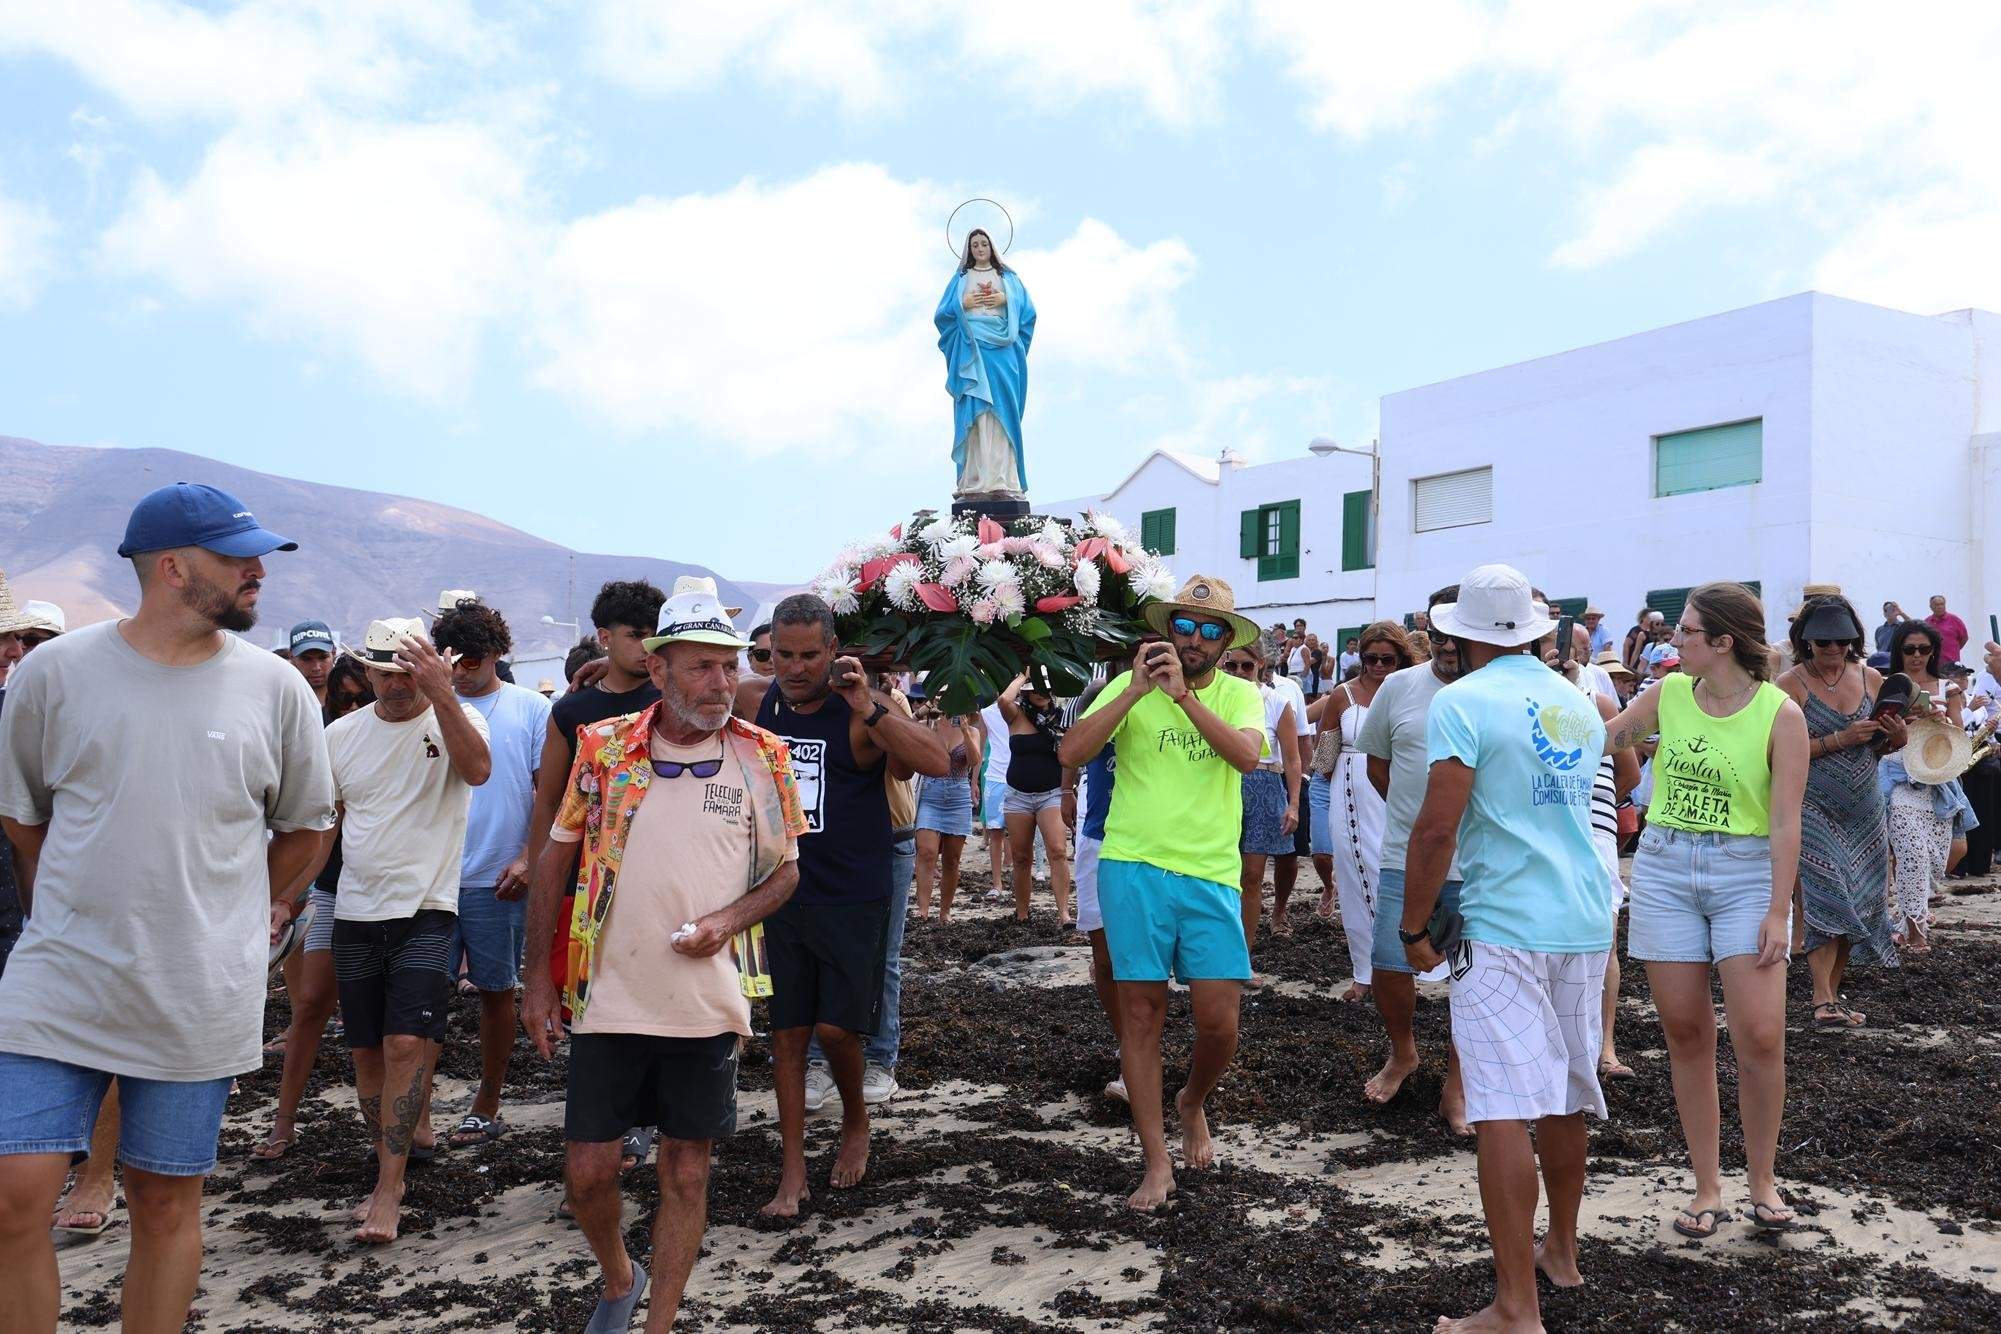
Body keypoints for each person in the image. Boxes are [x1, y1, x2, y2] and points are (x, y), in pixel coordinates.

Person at [0, 484, 334, 1332]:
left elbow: (305, 827)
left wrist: (240, 910)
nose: (258, 571)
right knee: (14, 1198)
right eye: (238, 557)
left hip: (197, 989)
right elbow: (23, 815)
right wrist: (71, 906)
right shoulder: (52, 672)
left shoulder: (276, 688)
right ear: (174, 568)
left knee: (161, 1203)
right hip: (60, 978)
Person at [519, 582, 804, 1333]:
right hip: (608, 990)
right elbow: (555, 861)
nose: (721, 685)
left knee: (685, 1166)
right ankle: (620, 1276)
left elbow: (785, 872)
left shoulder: (763, 757)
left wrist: (726, 919)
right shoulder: (603, 748)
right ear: (659, 671)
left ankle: (659, 1323)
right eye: (702, 668)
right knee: (587, 1174)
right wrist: (535, 987)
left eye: (728, 667)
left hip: (707, 996)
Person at [1397, 564, 1612, 1334]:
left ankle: (1515, 1307)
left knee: (1498, 1108)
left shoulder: (1460, 701)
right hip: (1584, 915)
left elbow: (1436, 825)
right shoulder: (1576, 700)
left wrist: (1412, 927)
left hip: (1504, 920)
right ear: (1532, 630)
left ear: (1456, 636)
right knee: (1561, 1094)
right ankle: (1561, 1251)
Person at [1059, 575, 1268, 1210]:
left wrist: (1183, 700)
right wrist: (1136, 691)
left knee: (1218, 1020)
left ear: (1226, 640)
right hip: (1132, 865)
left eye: (1209, 631)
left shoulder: (1241, 694)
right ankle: (1155, 1160)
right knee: (1141, 1014)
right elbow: (1071, 751)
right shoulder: (1129, 685)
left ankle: (1192, 1101)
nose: (1194, 640)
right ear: (1167, 630)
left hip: (1209, 872)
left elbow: (1246, 759)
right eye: (1184, 626)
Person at [1607, 581, 1807, 1241]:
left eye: (1686, 632)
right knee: (1686, 1034)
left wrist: (1778, 911)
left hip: (1745, 873)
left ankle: (1762, 1180)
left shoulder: (1779, 714)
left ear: (1721, 641)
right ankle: (1705, 1187)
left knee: (1760, 1033)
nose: (1673, 641)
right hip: (1663, 868)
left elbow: (1784, 825)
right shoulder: (1665, 694)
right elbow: (1603, 738)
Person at [740, 595, 948, 1218]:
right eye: (784, 654)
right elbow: (684, 701)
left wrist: (869, 706)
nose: (796, 667)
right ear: (769, 651)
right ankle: (792, 1170)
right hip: (779, 889)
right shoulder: (756, 702)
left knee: (836, 1029)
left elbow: (936, 762)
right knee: (786, 1035)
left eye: (810, 655)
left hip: (854, 892)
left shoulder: (861, 711)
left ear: (834, 652)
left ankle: (855, 1121)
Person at [324, 617, 492, 1244]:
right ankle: (385, 1161)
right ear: (364, 672)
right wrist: (284, 896)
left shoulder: (455, 721)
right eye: (384, 672)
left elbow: (478, 771)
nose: (395, 685)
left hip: (427, 906)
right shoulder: (341, 735)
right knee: (366, 1051)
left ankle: (390, 1187)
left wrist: (442, 692)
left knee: (402, 1046)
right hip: (354, 910)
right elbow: (326, 823)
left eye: (406, 672)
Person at [430, 601, 551, 1147]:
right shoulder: (429, 707)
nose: (461, 670)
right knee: (420, 995)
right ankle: (418, 1107)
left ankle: (488, 1099)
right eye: (452, 659)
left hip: (495, 877)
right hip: (429, 877)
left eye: (473, 658)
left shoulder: (530, 708)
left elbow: (547, 795)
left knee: (497, 991)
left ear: (499, 654)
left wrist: (528, 857)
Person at [1352, 585, 1468, 1130]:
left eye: (1459, 634)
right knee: (1388, 965)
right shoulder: (1398, 687)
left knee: (1476, 976)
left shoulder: (1496, 691)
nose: (1448, 645)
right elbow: (1377, 762)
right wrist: (1411, 816)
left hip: (1482, 864)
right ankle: (1403, 1051)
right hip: (1405, 856)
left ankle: (1460, 1082)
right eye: (1440, 633)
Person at [256, 655, 376, 1160]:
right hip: (331, 888)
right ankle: (284, 1124)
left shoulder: (403, 736)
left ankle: (400, 1132)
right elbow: (319, 830)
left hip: (385, 895)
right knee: (309, 1007)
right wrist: (287, 895)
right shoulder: (331, 739)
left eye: (358, 697)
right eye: (342, 698)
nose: (350, 706)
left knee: (389, 1023)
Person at [1777, 595, 1903, 1029]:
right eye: (1823, 641)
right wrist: (1840, 740)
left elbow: (1882, 747)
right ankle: (1820, 998)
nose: (1832, 649)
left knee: (1861, 898)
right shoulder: (1790, 685)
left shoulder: (1870, 678)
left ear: (1853, 640)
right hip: (1812, 803)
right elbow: (1774, 751)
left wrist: (1896, 735)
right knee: (1824, 893)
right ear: (1806, 641)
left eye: (1841, 641)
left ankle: (1832, 995)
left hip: (1865, 805)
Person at [1307, 621, 1414, 1003]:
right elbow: (1323, 757)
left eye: (1388, 658)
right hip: (1350, 792)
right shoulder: (1342, 695)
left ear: (1400, 658)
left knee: (1397, 877)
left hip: (1398, 790)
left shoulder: (1412, 690)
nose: (1379, 665)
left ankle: (1405, 963)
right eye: (1371, 658)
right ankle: (1364, 972)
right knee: (1353, 881)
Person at [1882, 620, 1968, 951]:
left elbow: (1961, 732)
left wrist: (1941, 720)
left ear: (1933, 651)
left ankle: (1904, 922)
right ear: (1898, 651)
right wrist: (1903, 722)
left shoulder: (1948, 687)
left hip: (1938, 777)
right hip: (1897, 775)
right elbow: (1876, 728)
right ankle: (1916, 930)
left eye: (1923, 649)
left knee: (1935, 856)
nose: (1916, 656)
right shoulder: (1887, 684)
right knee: (1911, 852)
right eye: (1909, 649)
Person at [937, 227, 1036, 501]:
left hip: (1003, 351)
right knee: (977, 412)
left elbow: (1029, 313)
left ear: (993, 247)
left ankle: (1003, 479)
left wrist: (1006, 300)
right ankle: (976, 480)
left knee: (1003, 412)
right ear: (969, 250)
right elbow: (942, 315)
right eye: (975, 245)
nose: (980, 249)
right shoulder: (960, 279)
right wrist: (963, 303)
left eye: (984, 244)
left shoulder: (1009, 279)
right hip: (972, 350)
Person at [1063, 677, 1126, 1101]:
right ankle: (1129, 1042)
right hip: (1097, 835)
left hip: (1145, 843)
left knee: (1139, 960)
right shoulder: (1098, 696)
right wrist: (1065, 788)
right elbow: (1071, 741)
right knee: (1103, 959)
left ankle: (1137, 1055)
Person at [1223, 640, 1298, 953]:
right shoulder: (1215, 699)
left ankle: (1243, 955)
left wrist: (1294, 804)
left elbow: (1293, 758)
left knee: (1252, 875)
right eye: (1232, 665)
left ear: (1260, 667)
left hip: (1264, 785)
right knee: (1220, 872)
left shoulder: (1277, 703)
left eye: (1247, 666)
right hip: (1224, 783)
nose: (1240, 672)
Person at [997, 669, 1073, 924]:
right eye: (1035, 688)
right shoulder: (1016, 715)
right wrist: (1021, 677)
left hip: (1050, 793)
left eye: (1045, 688)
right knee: (1021, 857)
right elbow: (1003, 700)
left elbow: (1070, 757)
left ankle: (1063, 913)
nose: (1041, 693)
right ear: (1027, 692)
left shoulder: (1061, 718)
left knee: (1058, 850)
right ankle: (1022, 914)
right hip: (1018, 795)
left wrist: (1067, 792)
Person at [913, 704, 983, 923]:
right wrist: (923, 711)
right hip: (931, 793)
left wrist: (964, 730)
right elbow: (903, 726)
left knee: (952, 860)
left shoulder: (972, 730)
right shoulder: (929, 724)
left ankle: (945, 911)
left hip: (958, 796)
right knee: (926, 852)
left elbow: (973, 760)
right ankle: (922, 909)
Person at [977, 698, 1014, 903]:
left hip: (1017, 775)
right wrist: (974, 781)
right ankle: (997, 884)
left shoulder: (1020, 708)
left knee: (1018, 834)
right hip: (994, 776)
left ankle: (1017, 881)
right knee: (995, 832)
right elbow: (981, 749)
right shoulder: (986, 712)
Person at [288, 620, 336, 706]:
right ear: (291, 656)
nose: (316, 667)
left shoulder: (352, 702)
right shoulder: (283, 703)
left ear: (333, 653)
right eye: (307, 659)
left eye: (323, 657)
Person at [1926, 594, 1970, 665]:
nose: (1940, 607)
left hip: (1952, 663)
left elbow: (1964, 638)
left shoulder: (1954, 620)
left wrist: (1954, 649)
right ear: (1931, 607)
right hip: (1933, 664)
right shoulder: (1927, 622)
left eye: (1942, 604)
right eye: (1936, 605)